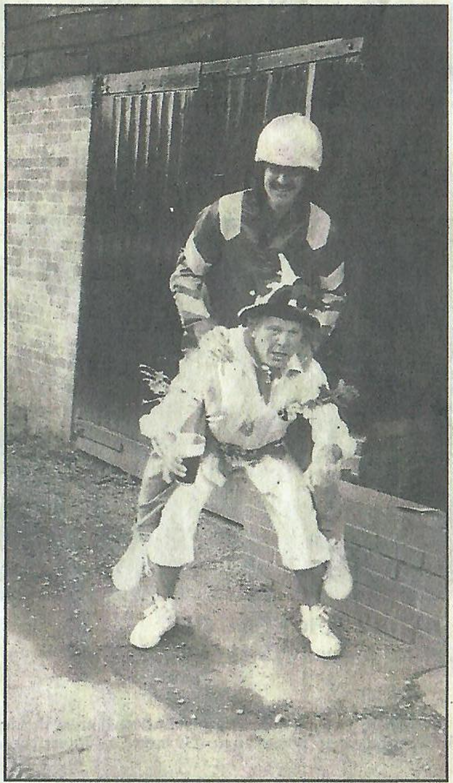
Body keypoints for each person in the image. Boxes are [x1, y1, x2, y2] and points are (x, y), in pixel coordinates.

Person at [112, 288, 358, 658]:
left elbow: (326, 418)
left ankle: (313, 613)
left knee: (298, 509)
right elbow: (179, 399)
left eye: (293, 333)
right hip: (213, 447)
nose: (283, 342)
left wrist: (326, 453)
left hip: (265, 451)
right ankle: (161, 606)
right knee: (177, 508)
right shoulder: (219, 351)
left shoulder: (304, 364)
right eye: (274, 329)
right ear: (253, 325)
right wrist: (166, 441)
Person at [170, 113, 345, 354]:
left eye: (293, 172)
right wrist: (201, 326)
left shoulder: (321, 227)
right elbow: (187, 273)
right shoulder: (225, 212)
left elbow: (333, 294)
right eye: (275, 168)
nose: (282, 179)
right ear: (262, 169)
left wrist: (308, 342)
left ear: (308, 176)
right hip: (222, 352)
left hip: (281, 358)